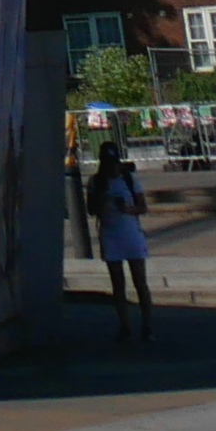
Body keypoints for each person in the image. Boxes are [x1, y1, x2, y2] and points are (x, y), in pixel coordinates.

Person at [89, 136, 153, 339]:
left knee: (139, 281)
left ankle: (147, 325)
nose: (111, 168)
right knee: (118, 283)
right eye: (106, 164)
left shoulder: (129, 179)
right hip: (110, 234)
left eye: (113, 163)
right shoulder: (96, 182)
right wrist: (102, 199)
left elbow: (143, 207)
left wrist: (127, 209)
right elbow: (91, 210)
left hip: (131, 233)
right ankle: (125, 325)